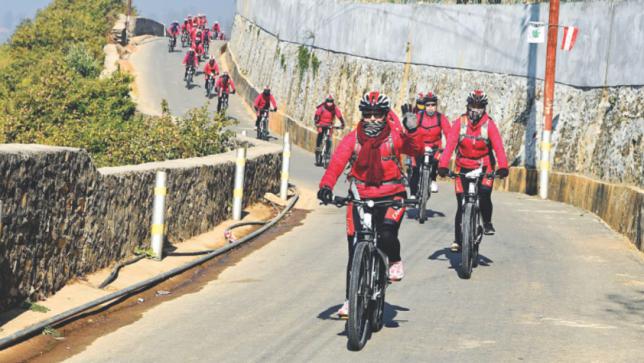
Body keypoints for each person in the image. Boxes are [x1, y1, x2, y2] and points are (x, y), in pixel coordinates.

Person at [317, 91, 422, 318]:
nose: (373, 119)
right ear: (362, 115)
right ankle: (350, 299)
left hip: (392, 194)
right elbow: (337, 163)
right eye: (368, 114)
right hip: (360, 195)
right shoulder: (353, 138)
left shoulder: (394, 136)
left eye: (377, 115)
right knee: (354, 249)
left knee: (386, 234)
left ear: (385, 115)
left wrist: (412, 130)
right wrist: (326, 186)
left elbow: (416, 150)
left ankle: (393, 260)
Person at [437, 90, 509, 252]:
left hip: (484, 166)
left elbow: (498, 147)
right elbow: (449, 146)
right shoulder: (460, 123)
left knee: (484, 193)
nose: (475, 110)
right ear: (467, 106)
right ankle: (458, 239)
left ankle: (487, 222)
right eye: (472, 106)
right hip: (463, 166)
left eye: (479, 107)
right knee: (461, 202)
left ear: (484, 109)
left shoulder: (489, 125)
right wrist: (443, 165)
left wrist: (503, 167)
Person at [408, 92, 451, 195]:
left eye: (433, 105)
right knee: (415, 169)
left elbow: (449, 135)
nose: (430, 108)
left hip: (435, 147)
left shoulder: (441, 118)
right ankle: (413, 194)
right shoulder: (419, 116)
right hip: (420, 146)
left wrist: (448, 148)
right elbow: (410, 130)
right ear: (425, 106)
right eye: (428, 105)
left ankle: (433, 180)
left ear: (436, 106)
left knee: (436, 161)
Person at [314, 95, 346, 166]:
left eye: (331, 102)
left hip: (329, 125)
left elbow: (339, 115)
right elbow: (317, 114)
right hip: (321, 124)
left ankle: (327, 153)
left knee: (329, 139)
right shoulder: (322, 107)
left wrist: (342, 123)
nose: (329, 103)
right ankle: (318, 152)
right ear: (326, 101)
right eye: (328, 101)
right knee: (320, 137)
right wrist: (316, 122)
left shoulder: (334, 108)